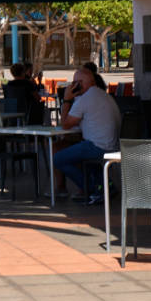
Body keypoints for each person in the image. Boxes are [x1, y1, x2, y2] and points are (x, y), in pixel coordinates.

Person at [53, 63, 120, 203]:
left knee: (58, 158)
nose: (77, 85)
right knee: (71, 149)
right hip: (112, 145)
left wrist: (66, 99)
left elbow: (65, 124)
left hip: (97, 146)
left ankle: (92, 188)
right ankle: (106, 185)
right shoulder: (102, 94)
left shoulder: (86, 98)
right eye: (74, 82)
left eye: (80, 82)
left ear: (92, 82)